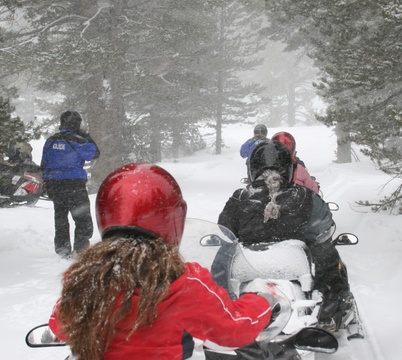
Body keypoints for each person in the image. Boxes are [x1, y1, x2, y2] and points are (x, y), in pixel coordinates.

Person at [48, 163, 274, 360]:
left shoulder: (84, 278)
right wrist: (263, 301)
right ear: (174, 216)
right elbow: (233, 329)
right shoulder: (184, 282)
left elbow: (61, 326)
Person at [218, 140, 351, 332]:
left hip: (248, 264)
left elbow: (224, 231)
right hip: (293, 264)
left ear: (252, 169)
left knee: (220, 263)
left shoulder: (240, 198)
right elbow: (322, 229)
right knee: (327, 257)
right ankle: (329, 313)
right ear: (289, 168)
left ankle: (217, 313)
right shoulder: (306, 196)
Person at [41, 110, 100, 258]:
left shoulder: (50, 141)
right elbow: (95, 153)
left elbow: (44, 165)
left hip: (55, 184)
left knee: (61, 218)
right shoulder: (78, 140)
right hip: (74, 184)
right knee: (82, 219)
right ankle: (80, 251)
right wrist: (87, 136)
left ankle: (62, 249)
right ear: (77, 124)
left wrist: (47, 183)